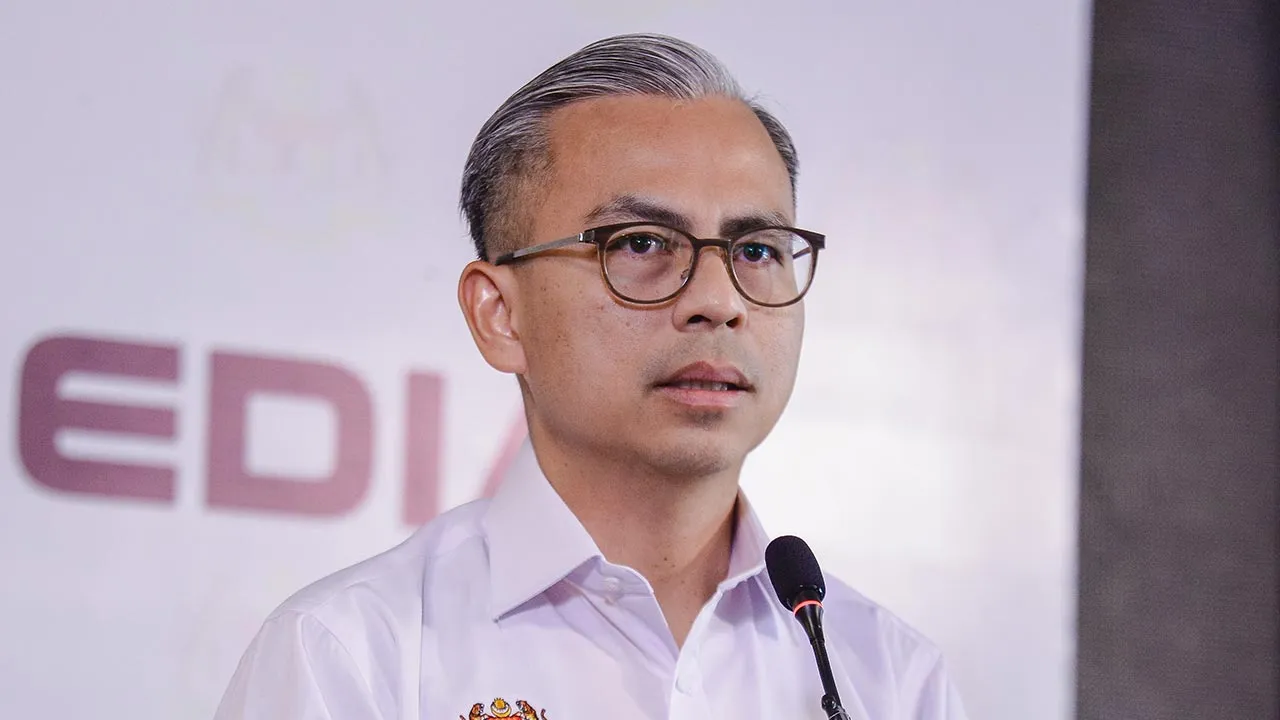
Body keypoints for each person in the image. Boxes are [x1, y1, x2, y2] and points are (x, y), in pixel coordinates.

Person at [214, 33, 969, 720]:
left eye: (757, 250)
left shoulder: (891, 680)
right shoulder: (354, 656)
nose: (717, 301)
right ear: (499, 314)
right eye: (642, 242)